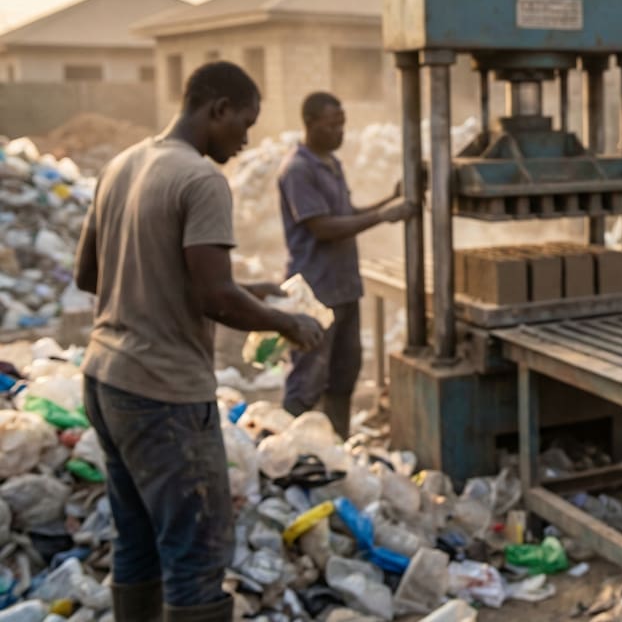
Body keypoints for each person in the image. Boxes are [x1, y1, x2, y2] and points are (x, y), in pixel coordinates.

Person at [74, 61, 324, 621]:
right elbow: (214, 298)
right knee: (196, 554)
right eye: (244, 122)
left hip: (105, 380)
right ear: (217, 109)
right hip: (163, 394)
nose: (246, 139)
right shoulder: (201, 178)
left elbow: (90, 275)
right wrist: (288, 323)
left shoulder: (124, 164)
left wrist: (248, 290)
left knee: (138, 542)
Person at [277, 91, 416, 437]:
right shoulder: (298, 169)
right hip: (315, 291)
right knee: (308, 378)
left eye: (342, 124)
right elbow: (322, 227)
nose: (340, 132)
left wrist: (390, 201)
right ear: (310, 124)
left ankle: (335, 447)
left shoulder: (331, 164)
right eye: (332, 125)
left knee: (343, 373)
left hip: (344, 287)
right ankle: (289, 450)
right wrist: (384, 216)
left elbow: (347, 215)